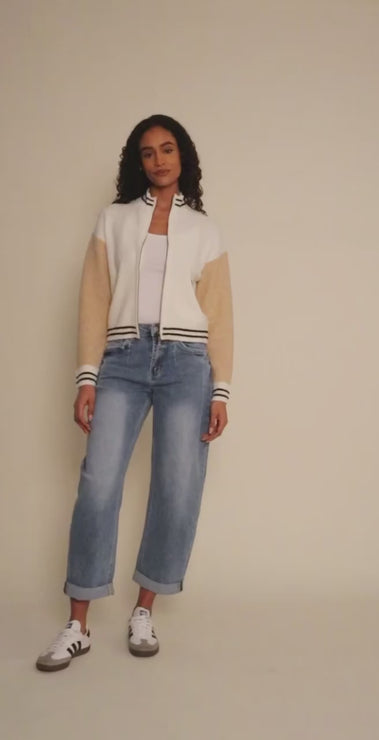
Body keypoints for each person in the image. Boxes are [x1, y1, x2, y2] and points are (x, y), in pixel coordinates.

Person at [35, 114, 233, 672]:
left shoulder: (205, 230)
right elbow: (94, 299)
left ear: (182, 156)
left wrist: (221, 389)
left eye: (168, 149)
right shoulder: (114, 219)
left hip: (187, 362)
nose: (159, 160)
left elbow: (220, 315)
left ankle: (143, 609)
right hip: (121, 358)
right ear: (137, 162)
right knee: (98, 483)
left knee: (177, 486)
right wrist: (87, 376)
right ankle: (77, 624)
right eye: (148, 153)